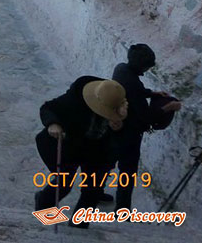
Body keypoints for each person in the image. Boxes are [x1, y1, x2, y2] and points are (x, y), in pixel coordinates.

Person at [34, 76, 127, 227]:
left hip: (98, 152)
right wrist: (53, 124)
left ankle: (79, 226)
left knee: (93, 190)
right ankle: (44, 207)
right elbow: (49, 108)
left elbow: (129, 132)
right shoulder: (76, 99)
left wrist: (119, 127)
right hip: (70, 147)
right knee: (64, 184)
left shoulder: (119, 102)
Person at [110, 44, 182, 210]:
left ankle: (96, 192)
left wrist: (152, 93)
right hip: (129, 132)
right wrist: (169, 107)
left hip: (114, 127)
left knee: (107, 163)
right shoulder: (133, 83)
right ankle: (122, 210)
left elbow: (133, 89)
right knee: (127, 171)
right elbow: (147, 117)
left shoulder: (121, 69)